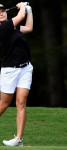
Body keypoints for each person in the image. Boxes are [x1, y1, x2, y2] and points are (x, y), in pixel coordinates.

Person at [0, 2, 33, 146]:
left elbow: (29, 28)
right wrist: (22, 7)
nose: (1, 13)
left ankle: (19, 139)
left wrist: (29, 10)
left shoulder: (12, 27)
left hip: (25, 68)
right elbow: (20, 16)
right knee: (4, 104)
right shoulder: (3, 27)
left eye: (2, 11)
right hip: (9, 70)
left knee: (21, 102)